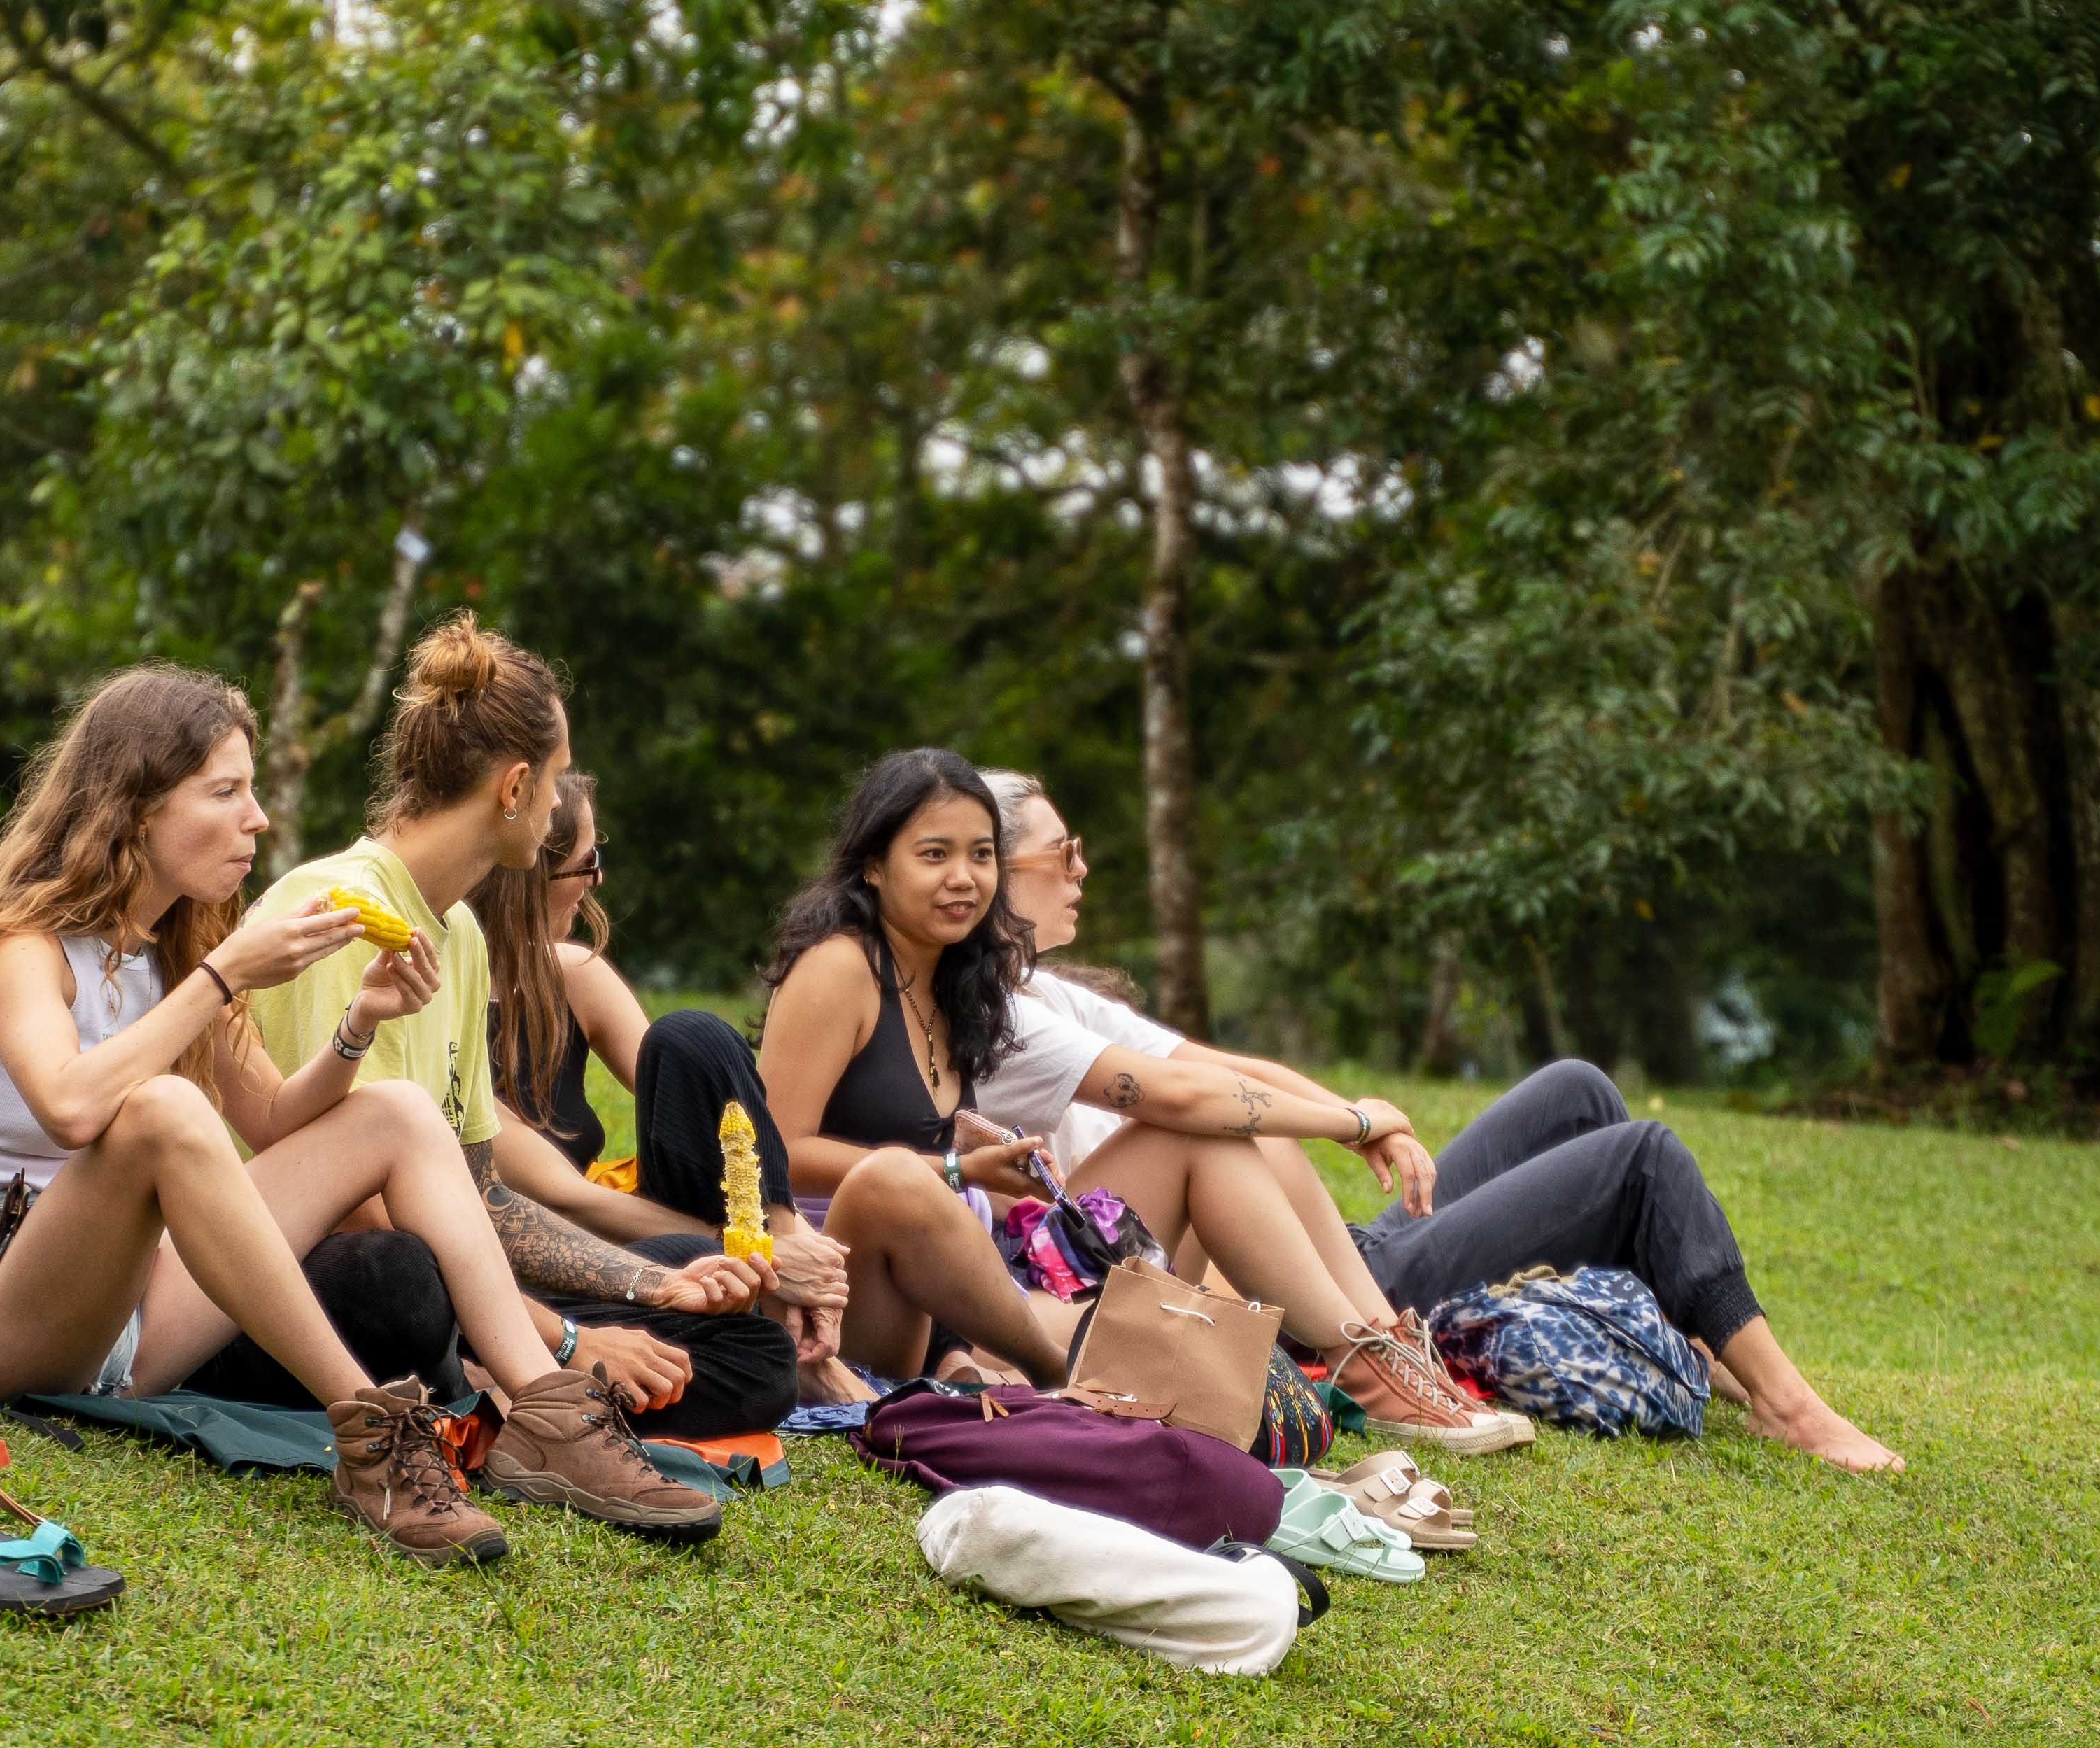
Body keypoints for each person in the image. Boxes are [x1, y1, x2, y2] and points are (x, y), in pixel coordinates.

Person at [0, 663, 721, 1563]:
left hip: (124, 1316)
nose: (259, 819)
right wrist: (226, 976)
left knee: (397, 1110)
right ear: (136, 805)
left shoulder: (175, 952)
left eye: (253, 791)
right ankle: (375, 1434)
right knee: (163, 1111)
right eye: (227, 792)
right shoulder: (22, 943)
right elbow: (68, 1105)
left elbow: (281, 1118)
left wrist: (358, 1027)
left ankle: (544, 1410)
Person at [976, 766, 1903, 1473]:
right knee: (1639, 1157)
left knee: (1577, 1089)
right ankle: (1785, 1402)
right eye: (1061, 853)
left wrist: (1357, 1114)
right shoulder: (997, 1021)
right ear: (994, 871)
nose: (1081, 868)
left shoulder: (1047, 992)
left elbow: (1214, 1065)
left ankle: (1706, 1349)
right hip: (1271, 1286)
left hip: (1310, 1245)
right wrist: (1341, 1125)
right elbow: (1189, 1107)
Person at [751, 749, 1527, 1451]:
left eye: (980, 854)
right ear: (874, 867)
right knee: (903, 1179)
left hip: (972, 1276)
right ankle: (1088, 1377)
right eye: (934, 854)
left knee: (1210, 1137)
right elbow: (775, 1154)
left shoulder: (964, 985)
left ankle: (1368, 1361)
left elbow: (1203, 1074)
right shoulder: (840, 968)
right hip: (850, 1295)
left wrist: (971, 1165)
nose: (963, 877)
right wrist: (958, 1166)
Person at [248, 614, 801, 1440]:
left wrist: (650, 1288)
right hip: (328, 1283)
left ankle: (496, 1386)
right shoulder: (332, 908)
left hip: (462, 1282)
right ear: (513, 789)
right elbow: (360, 1211)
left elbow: (479, 1195)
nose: (555, 808)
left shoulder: (458, 933)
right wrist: (569, 1337)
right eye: (555, 781)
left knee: (736, 1327)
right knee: (399, 1278)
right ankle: (500, 1386)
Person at [474, 768, 1029, 1403]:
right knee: (704, 1278)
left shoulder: (570, 975)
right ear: (520, 877)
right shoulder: (437, 1012)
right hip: (551, 1266)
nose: (597, 882)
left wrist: (780, 1231)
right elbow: (564, 1198)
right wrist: (761, 1254)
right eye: (585, 864)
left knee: (693, 1035)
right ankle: (816, 1348)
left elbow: (706, 1093)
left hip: (704, 1247)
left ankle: (850, 1319)